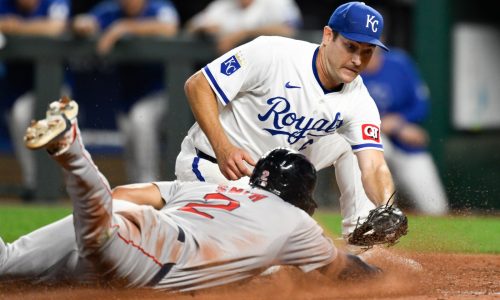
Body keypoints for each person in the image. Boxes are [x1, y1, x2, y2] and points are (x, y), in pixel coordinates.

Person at [0, 97, 381, 290]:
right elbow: (343, 269)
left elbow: (126, 193)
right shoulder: (297, 222)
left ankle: (94, 217)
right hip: (153, 252)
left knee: (9, 262)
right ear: (300, 197)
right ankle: (72, 149)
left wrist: (108, 222)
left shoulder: (208, 190)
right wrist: (385, 275)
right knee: (101, 240)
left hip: (129, 223)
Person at [116, 1, 398, 241]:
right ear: (327, 35)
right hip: (214, 167)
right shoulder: (273, 53)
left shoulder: (359, 99)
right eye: (350, 47)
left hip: (273, 182)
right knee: (269, 254)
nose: (358, 59)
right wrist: (223, 146)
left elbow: (373, 165)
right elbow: (198, 84)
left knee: (353, 143)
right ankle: (146, 227)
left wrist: (387, 207)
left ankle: (361, 240)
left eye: (367, 51)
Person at [71, 0, 179, 183]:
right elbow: (83, 23)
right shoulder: (110, 11)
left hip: (160, 92)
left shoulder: (159, 7)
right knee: (130, 138)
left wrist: (123, 28)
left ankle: (149, 183)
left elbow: (170, 28)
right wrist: (83, 25)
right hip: (128, 95)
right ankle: (138, 187)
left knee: (140, 120)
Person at [360, 46, 449, 215]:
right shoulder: (350, 69)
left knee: (436, 208)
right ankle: (381, 213)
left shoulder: (399, 63)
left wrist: (399, 123)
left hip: (406, 144)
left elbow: (421, 105)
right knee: (372, 144)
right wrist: (383, 124)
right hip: (374, 140)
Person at [0, 0, 70, 200]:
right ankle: (33, 183)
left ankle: (67, 184)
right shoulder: (5, 5)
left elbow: (56, 27)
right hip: (22, 88)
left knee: (62, 126)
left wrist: (17, 27)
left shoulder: (54, 2)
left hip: (56, 84)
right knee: (20, 115)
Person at [186, 0, 302, 54]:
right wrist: (203, 29)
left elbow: (288, 29)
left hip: (272, 66)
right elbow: (190, 27)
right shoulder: (222, 5)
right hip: (232, 70)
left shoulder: (275, 2)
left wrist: (244, 33)